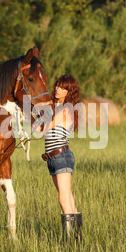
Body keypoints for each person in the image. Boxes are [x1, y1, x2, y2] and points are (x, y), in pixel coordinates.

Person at [38, 75, 83, 242]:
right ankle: (76, 238)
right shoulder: (59, 107)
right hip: (53, 157)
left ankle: (69, 241)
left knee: (63, 198)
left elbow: (43, 130)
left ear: (69, 91)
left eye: (63, 87)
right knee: (68, 197)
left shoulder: (65, 109)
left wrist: (38, 116)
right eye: (57, 85)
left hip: (61, 156)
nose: (57, 89)